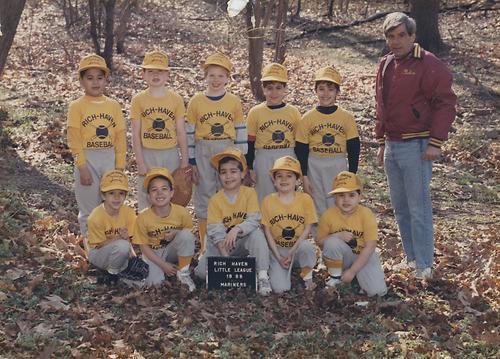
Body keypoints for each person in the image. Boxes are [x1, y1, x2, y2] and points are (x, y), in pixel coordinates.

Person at [375, 12, 457, 279]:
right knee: (400, 207)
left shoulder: (428, 63)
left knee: (418, 207)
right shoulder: (385, 63)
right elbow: (382, 106)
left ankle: (424, 265)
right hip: (392, 145)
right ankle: (411, 259)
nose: (396, 42)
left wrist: (436, 141)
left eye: (401, 35)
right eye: (391, 36)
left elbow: (446, 102)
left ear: (413, 36)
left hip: (417, 145)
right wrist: (380, 140)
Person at [185, 52, 247, 252]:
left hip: (227, 148)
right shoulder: (196, 101)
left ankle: (227, 243)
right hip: (204, 147)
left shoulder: (233, 101)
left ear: (228, 78)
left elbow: (240, 130)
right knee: (205, 193)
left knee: (227, 192)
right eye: (212, 75)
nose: (216, 80)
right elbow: (189, 133)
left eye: (221, 75)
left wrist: (242, 159)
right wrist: (191, 161)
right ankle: (206, 246)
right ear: (205, 76)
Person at [194, 148, 271, 295]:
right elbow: (216, 232)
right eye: (223, 172)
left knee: (257, 234)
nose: (228, 176)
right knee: (202, 274)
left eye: (233, 171)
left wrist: (237, 229)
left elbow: (254, 219)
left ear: (243, 173)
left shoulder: (249, 193)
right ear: (219, 176)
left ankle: (262, 276)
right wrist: (229, 264)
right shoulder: (215, 200)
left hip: (241, 241)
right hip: (221, 245)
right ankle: (238, 264)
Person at [66, 54, 126, 236]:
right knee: (88, 208)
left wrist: (120, 166)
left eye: (100, 78)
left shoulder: (113, 105)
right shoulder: (77, 106)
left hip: (109, 157)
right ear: (81, 81)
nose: (95, 82)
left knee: (110, 204)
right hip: (87, 158)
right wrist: (82, 166)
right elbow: (74, 140)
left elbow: (120, 137)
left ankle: (110, 241)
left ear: (106, 80)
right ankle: (90, 246)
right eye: (89, 78)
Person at [295, 66, 360, 217]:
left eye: (330, 89)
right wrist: (304, 175)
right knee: (317, 202)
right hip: (314, 164)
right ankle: (320, 237)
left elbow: (353, 147)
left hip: (337, 163)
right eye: (321, 89)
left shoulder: (346, 117)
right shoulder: (307, 118)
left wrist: (352, 174)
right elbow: (301, 149)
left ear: (338, 92)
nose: (325, 94)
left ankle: (338, 235)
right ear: (315, 90)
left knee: (339, 201)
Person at [130, 50, 190, 211]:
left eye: (160, 71)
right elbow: (135, 134)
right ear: (143, 74)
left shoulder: (175, 99)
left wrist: (184, 161)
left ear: (167, 74)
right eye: (150, 71)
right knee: (146, 193)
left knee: (171, 192)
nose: (155, 75)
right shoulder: (138, 100)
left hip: (170, 153)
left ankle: (169, 230)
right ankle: (146, 230)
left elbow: (181, 132)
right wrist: (140, 162)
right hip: (147, 152)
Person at [317, 171, 387, 297]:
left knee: (376, 292)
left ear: (359, 197)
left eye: (351, 195)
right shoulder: (328, 215)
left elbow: (370, 246)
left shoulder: (366, 214)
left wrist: (353, 271)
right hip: (343, 257)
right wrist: (336, 236)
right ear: (335, 198)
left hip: (364, 256)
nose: (346, 200)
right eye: (341, 195)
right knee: (332, 242)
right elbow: (320, 242)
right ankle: (336, 278)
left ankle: (355, 279)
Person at [245, 63, 301, 203]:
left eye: (278, 88)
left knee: (287, 196)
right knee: (264, 196)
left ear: (285, 89)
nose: (274, 92)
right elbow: (250, 143)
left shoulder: (293, 112)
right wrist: (249, 167)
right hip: (264, 157)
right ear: (263, 89)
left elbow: (300, 142)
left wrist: (300, 166)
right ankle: (263, 224)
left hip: (287, 155)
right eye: (269, 88)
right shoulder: (255, 112)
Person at [133, 168, 196, 291]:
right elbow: (143, 247)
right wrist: (163, 265)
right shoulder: (143, 217)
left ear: (172, 192)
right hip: (153, 254)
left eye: (164, 189)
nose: (159, 193)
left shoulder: (181, 212)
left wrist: (176, 232)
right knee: (154, 284)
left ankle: (183, 273)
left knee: (186, 235)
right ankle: (155, 272)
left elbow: (189, 236)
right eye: (154, 190)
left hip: (172, 251)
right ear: (149, 196)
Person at [261, 156, 317, 293]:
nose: (284, 180)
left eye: (289, 176)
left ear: (297, 179)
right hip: (278, 250)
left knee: (306, 247)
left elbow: (308, 228)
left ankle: (308, 277)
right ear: (274, 180)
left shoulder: (305, 199)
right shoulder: (268, 201)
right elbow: (267, 232)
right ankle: (280, 267)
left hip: (297, 248)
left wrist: (293, 249)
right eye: (279, 176)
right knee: (280, 289)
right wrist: (278, 257)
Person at [86, 170, 138, 284]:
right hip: (98, 253)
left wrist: (133, 257)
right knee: (122, 246)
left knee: (137, 271)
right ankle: (111, 276)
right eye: (111, 193)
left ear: (125, 195)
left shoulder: (129, 213)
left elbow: (131, 240)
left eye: (121, 193)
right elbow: (98, 245)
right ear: (103, 195)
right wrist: (120, 238)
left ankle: (120, 270)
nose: (116, 197)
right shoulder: (95, 217)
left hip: (118, 250)